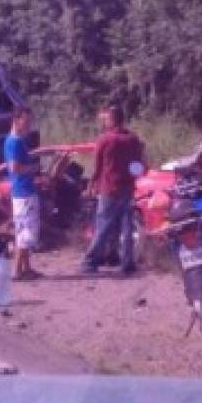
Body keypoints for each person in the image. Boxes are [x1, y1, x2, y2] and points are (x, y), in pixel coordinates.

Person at [82, 104, 145, 276]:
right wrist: (134, 178)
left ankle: (90, 261)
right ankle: (127, 263)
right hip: (127, 188)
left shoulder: (105, 139)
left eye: (106, 119)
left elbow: (97, 166)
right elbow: (139, 165)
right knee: (127, 227)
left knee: (103, 225)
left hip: (109, 189)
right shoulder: (132, 139)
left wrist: (90, 185)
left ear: (111, 120)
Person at [3, 107, 41, 282]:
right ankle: (17, 271)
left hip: (23, 191)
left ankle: (26, 268)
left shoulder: (17, 141)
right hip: (23, 192)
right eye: (26, 120)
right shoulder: (15, 142)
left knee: (25, 231)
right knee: (24, 233)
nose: (29, 124)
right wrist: (33, 168)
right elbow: (15, 168)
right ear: (17, 120)